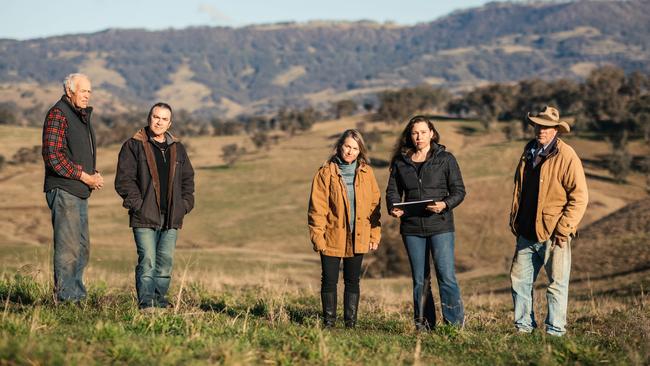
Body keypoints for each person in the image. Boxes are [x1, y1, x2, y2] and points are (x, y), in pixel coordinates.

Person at [509, 106, 588, 336]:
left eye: (546, 126)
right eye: (538, 125)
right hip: (526, 231)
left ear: (556, 129)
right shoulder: (529, 151)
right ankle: (523, 328)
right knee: (519, 282)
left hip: (554, 233)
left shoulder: (566, 155)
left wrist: (564, 228)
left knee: (556, 285)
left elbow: (580, 196)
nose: (541, 130)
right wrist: (515, 218)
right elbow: (520, 189)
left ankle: (555, 331)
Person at [386, 115, 466, 330]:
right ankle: (424, 326)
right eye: (414, 133)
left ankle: (454, 326)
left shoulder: (446, 159)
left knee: (446, 276)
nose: (418, 136)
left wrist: (445, 204)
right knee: (420, 280)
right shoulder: (400, 161)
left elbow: (459, 191)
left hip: (440, 225)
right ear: (409, 136)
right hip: (411, 228)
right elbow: (393, 191)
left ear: (432, 133)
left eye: (423, 132)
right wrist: (393, 207)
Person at [114, 102, 195, 311]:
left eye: (164, 119)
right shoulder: (133, 145)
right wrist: (138, 205)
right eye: (155, 117)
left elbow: (188, 179)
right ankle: (146, 303)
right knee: (147, 261)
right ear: (149, 118)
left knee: (165, 263)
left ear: (170, 123)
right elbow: (124, 180)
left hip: (171, 216)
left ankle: (160, 301)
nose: (159, 122)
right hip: (144, 215)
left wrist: (185, 204)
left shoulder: (177, 148)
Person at [308, 129, 381, 328]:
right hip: (331, 235)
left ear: (360, 151)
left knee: (352, 280)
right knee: (329, 280)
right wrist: (318, 237)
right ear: (340, 146)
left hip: (358, 236)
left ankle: (351, 324)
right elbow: (317, 208)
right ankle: (329, 323)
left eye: (355, 148)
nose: (350, 151)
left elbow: (375, 205)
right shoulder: (325, 173)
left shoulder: (367, 173)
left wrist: (374, 233)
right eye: (347, 146)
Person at [42, 73, 104, 303]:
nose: (87, 95)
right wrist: (84, 176)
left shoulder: (80, 116)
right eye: (83, 90)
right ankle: (66, 298)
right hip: (64, 189)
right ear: (70, 91)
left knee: (81, 247)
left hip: (78, 190)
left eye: (89, 91)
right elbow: (53, 156)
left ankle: (76, 295)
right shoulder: (58, 114)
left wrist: (92, 173)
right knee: (68, 248)